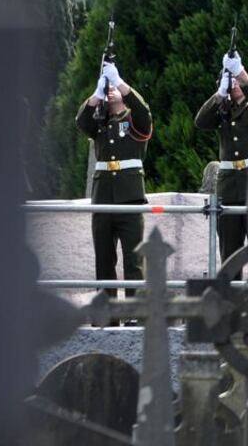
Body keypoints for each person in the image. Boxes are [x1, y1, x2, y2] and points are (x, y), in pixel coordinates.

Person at [76, 60, 153, 308]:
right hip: (103, 199)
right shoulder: (98, 123)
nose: (111, 90)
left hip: (130, 198)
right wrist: (95, 96)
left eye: (113, 88)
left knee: (133, 261)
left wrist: (120, 83)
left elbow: (144, 112)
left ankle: (133, 313)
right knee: (104, 260)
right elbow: (81, 122)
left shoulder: (133, 120)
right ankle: (107, 313)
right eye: (107, 86)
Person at [194, 51, 248, 279]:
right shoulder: (223, 109)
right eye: (230, 80)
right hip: (229, 185)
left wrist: (241, 74)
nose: (235, 85)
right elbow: (200, 122)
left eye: (237, 81)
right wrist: (219, 94)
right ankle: (233, 307)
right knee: (230, 251)